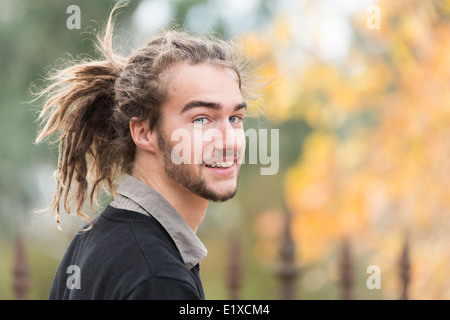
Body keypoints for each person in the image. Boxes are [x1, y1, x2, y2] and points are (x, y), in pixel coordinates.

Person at [34, 2, 260, 299]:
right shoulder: (157, 278)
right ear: (143, 132)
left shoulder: (91, 244)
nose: (228, 141)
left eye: (235, 118)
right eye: (201, 119)